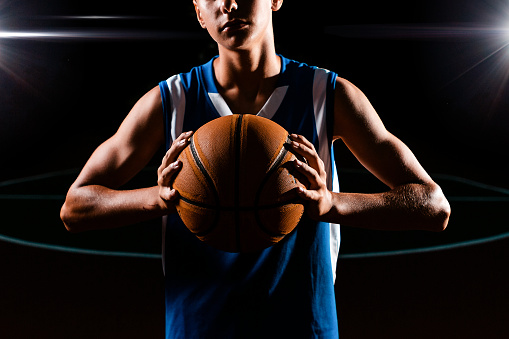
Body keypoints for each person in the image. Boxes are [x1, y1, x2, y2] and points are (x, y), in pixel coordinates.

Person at [61, 0, 451, 338]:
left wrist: (331, 204)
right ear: (198, 12)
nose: (228, 4)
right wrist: (157, 199)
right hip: (199, 328)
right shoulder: (172, 101)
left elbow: (434, 206)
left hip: (303, 328)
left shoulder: (325, 96)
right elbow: (75, 208)